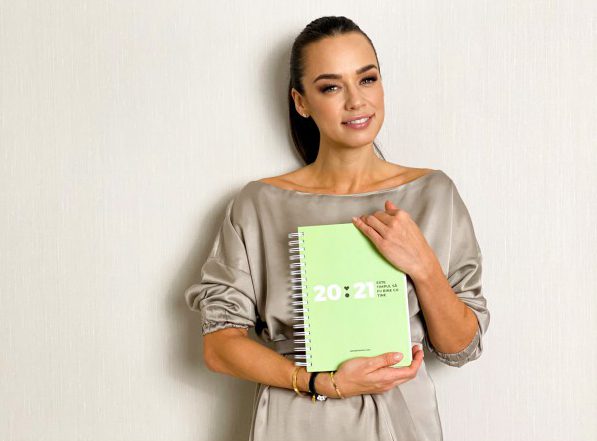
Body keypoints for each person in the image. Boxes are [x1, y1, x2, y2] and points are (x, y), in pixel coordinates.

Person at [185, 16, 490, 441]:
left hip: (401, 423)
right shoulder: (259, 204)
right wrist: (320, 383)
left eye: (367, 79)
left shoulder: (433, 194)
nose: (356, 101)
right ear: (301, 102)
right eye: (331, 87)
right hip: (296, 422)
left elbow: (461, 349)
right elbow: (219, 346)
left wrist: (424, 267)